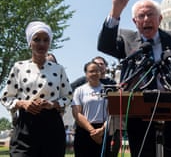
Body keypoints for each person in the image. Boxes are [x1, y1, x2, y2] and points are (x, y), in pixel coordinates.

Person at [97, 0, 171, 157]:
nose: (146, 19)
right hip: (139, 118)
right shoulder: (127, 39)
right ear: (135, 21)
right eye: (141, 16)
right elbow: (104, 45)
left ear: (160, 18)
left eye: (150, 15)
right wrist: (116, 9)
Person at [0, 21, 73, 157]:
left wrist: (53, 104)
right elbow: (6, 96)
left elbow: (68, 96)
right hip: (26, 125)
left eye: (46, 40)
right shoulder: (18, 67)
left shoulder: (59, 69)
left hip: (52, 125)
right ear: (29, 42)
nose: (41, 44)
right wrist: (23, 103)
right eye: (37, 39)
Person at [71, 61, 109, 157]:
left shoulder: (108, 90)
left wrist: (102, 130)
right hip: (84, 131)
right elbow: (77, 113)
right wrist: (92, 131)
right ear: (86, 73)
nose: (94, 74)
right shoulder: (79, 90)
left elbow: (111, 113)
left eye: (97, 71)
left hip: (103, 132)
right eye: (91, 71)